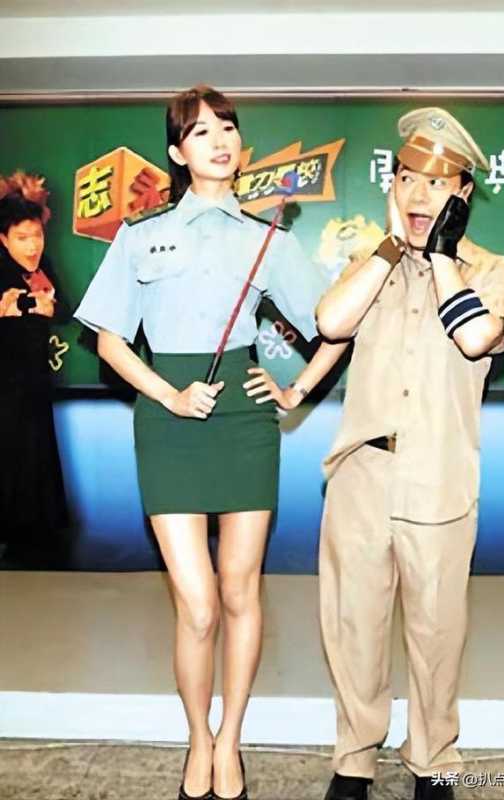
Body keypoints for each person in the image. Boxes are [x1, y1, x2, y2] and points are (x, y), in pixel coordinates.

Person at [73, 85, 347, 800]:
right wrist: (167, 394)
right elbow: (109, 340)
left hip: (244, 422)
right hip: (168, 419)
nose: (219, 140)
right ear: (176, 151)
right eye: (200, 132)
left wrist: (294, 389)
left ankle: (230, 741)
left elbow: (334, 325)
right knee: (195, 605)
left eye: (227, 128)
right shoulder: (141, 234)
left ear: (240, 146)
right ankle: (198, 737)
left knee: (239, 592)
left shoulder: (270, 240)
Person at [316, 107, 504, 800]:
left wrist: (439, 258)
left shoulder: (492, 272)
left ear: (461, 195)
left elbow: (475, 338)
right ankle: (354, 759)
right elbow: (329, 322)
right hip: (361, 475)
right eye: (405, 178)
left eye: (435, 183)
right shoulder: (371, 266)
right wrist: (386, 249)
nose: (416, 194)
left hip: (437, 479)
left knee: (436, 635)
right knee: (353, 627)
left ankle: (433, 760)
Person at [0, 172, 69, 567]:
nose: (32, 246)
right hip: (3, 384)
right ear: (3, 239)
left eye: (37, 236)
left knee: (36, 449)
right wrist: (18, 306)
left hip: (34, 380)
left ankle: (38, 528)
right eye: (22, 238)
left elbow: (63, 307)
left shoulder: (43, 267)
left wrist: (42, 306)